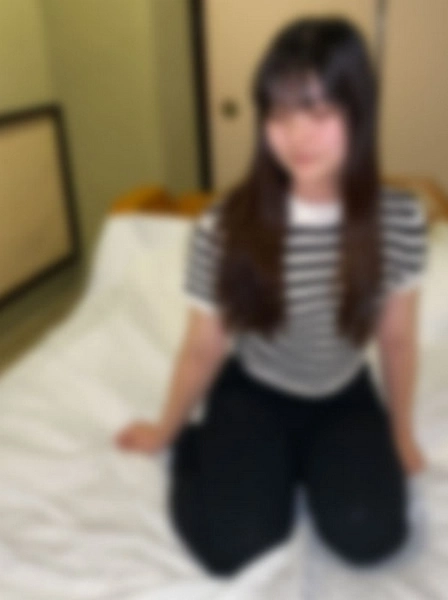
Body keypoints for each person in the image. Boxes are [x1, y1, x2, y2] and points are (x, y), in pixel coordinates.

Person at [115, 16, 429, 578]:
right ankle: (201, 445)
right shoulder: (226, 224)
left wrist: (401, 434)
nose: (296, 136)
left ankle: (305, 464)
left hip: (343, 394)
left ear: (359, 111)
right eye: (279, 114)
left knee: (374, 536)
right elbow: (204, 347)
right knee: (234, 547)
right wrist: (166, 430)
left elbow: (397, 339)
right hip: (255, 391)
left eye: (319, 112)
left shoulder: (399, 219)